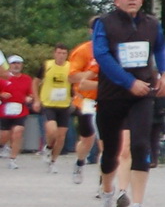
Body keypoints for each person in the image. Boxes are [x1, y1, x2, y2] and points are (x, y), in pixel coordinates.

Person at [92, 0, 165, 207]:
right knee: (111, 151)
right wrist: (128, 82)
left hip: (142, 93)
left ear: (142, 0)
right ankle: (109, 192)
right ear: (116, 0)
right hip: (112, 94)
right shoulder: (105, 23)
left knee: (140, 145)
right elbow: (102, 55)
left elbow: (160, 48)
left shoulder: (151, 24)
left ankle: (137, 205)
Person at [65, 19, 103, 182]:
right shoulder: (83, 51)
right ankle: (80, 163)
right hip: (86, 101)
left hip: (106, 100)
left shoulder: (112, 49)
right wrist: (92, 75)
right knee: (87, 138)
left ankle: (103, 183)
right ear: (91, 32)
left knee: (105, 144)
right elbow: (72, 77)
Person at [38, 45, 75, 173]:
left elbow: (75, 83)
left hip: (64, 105)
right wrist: (37, 99)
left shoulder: (70, 67)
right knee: (52, 130)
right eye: (59, 53)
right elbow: (35, 82)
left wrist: (75, 97)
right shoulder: (47, 65)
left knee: (61, 136)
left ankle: (53, 161)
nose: (61, 56)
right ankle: (48, 147)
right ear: (54, 54)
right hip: (49, 103)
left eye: (64, 53)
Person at [1, 53, 39, 169]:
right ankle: (3, 145)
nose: (16, 66)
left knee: (18, 131)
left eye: (18, 63)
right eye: (13, 63)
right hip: (5, 109)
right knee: (4, 135)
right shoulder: (3, 77)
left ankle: (13, 159)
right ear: (9, 65)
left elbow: (31, 93)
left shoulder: (27, 79)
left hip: (20, 109)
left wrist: (30, 98)